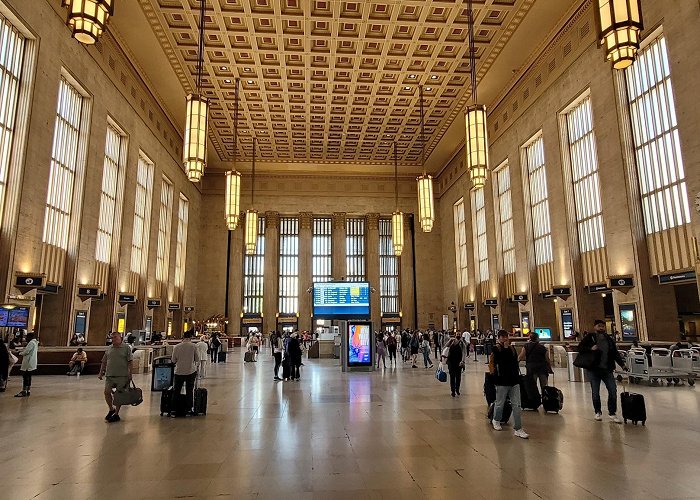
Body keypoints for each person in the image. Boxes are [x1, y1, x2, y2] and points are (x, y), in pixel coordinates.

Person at [578, 320, 626, 423]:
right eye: (599, 326)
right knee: (595, 392)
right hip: (593, 370)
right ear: (595, 327)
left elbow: (615, 353)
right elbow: (580, 348)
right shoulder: (590, 337)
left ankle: (612, 412)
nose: (601, 328)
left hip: (607, 369)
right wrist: (590, 348)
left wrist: (622, 364)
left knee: (613, 391)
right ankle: (598, 412)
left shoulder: (609, 339)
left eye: (603, 326)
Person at [489, 330, 529, 439]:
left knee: (517, 405)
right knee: (500, 403)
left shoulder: (512, 348)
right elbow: (499, 361)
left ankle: (518, 428)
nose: (504, 339)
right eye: (502, 337)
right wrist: (505, 348)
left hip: (514, 380)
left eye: (506, 336)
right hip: (501, 381)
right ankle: (496, 419)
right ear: (499, 338)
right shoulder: (496, 349)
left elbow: (514, 362)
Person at [98, 332, 133, 422]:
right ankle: (111, 409)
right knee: (107, 392)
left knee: (118, 395)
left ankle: (116, 414)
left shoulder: (126, 348)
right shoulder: (109, 348)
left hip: (122, 375)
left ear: (120, 337)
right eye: (112, 338)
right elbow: (104, 361)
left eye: (115, 337)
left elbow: (130, 361)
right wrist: (101, 372)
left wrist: (130, 374)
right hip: (110, 375)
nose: (113, 339)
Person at [170, 330, 201, 416]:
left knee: (176, 390)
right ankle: (188, 409)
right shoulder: (194, 346)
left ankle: (174, 410)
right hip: (190, 371)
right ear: (190, 337)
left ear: (183, 337)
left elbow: (173, 360)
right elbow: (197, 359)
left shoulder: (176, 347)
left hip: (179, 371)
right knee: (189, 391)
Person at [518, 332, 552, 406]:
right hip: (542, 368)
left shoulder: (526, 346)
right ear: (537, 339)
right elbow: (547, 359)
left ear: (530, 338)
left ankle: (534, 401)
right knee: (544, 386)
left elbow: (521, 356)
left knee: (532, 385)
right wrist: (550, 368)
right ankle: (545, 401)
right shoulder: (542, 347)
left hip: (531, 368)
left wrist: (516, 362)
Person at [13, 332, 38, 398]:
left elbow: (26, 352)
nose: (26, 338)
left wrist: (19, 353)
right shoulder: (35, 343)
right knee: (29, 377)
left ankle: (24, 391)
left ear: (30, 337)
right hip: (31, 363)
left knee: (25, 377)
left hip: (28, 363)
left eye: (27, 337)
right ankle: (28, 390)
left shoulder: (31, 343)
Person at [442, 332, 465, 397]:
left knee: (458, 377)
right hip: (451, 362)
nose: (458, 335)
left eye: (459, 334)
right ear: (455, 335)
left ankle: (457, 389)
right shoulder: (451, 342)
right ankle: (453, 391)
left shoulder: (462, 343)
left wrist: (463, 361)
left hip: (459, 363)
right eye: (457, 334)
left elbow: (464, 352)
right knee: (452, 377)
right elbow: (444, 347)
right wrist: (450, 341)